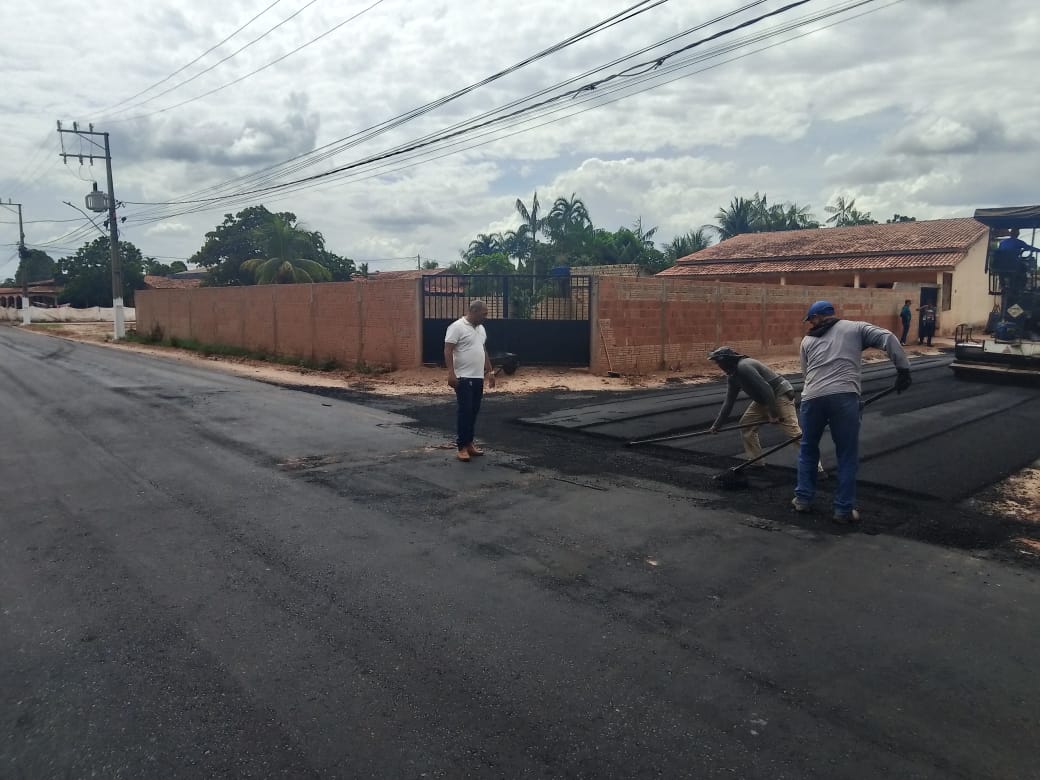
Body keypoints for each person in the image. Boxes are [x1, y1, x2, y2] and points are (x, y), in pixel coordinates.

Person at [791, 300, 911, 524]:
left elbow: (807, 374)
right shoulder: (855, 328)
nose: (809, 324)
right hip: (844, 398)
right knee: (846, 455)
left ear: (817, 317)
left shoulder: (807, 341)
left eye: (810, 320)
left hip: (812, 399)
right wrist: (903, 368)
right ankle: (843, 510)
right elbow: (889, 338)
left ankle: (803, 500)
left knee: (808, 450)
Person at [707, 346, 824, 474]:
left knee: (793, 433)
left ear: (727, 361)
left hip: (780, 394)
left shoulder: (744, 366)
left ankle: (816, 469)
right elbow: (728, 403)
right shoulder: (733, 377)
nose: (718, 365)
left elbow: (767, 389)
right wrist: (717, 425)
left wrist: (773, 414)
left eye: (719, 362)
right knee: (746, 425)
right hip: (763, 399)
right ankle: (756, 461)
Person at [444, 300, 495, 462]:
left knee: (473, 410)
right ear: (474, 311)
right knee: (465, 411)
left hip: (478, 377)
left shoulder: (481, 329)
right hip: (463, 378)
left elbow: (483, 350)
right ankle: (461, 447)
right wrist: (451, 373)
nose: (486, 317)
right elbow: (448, 349)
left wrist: (490, 371)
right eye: (484, 313)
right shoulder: (457, 327)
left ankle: (470, 443)